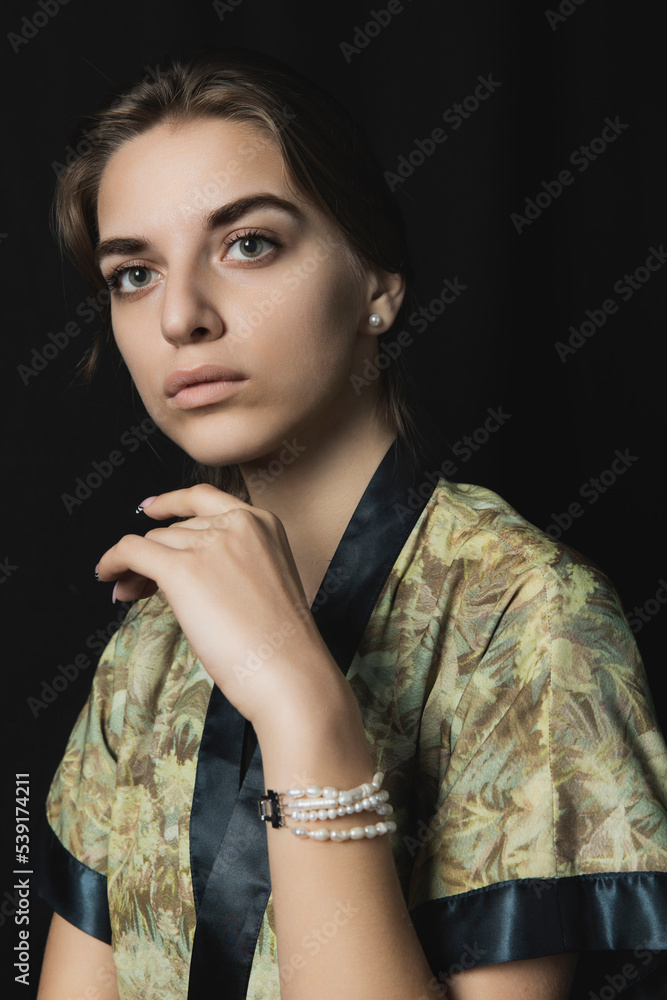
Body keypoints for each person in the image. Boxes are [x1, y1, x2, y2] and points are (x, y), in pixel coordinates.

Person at [34, 49, 667, 1000]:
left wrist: (302, 708)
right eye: (134, 273)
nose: (180, 317)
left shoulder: (530, 619)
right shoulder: (152, 637)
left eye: (248, 244)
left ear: (376, 283)